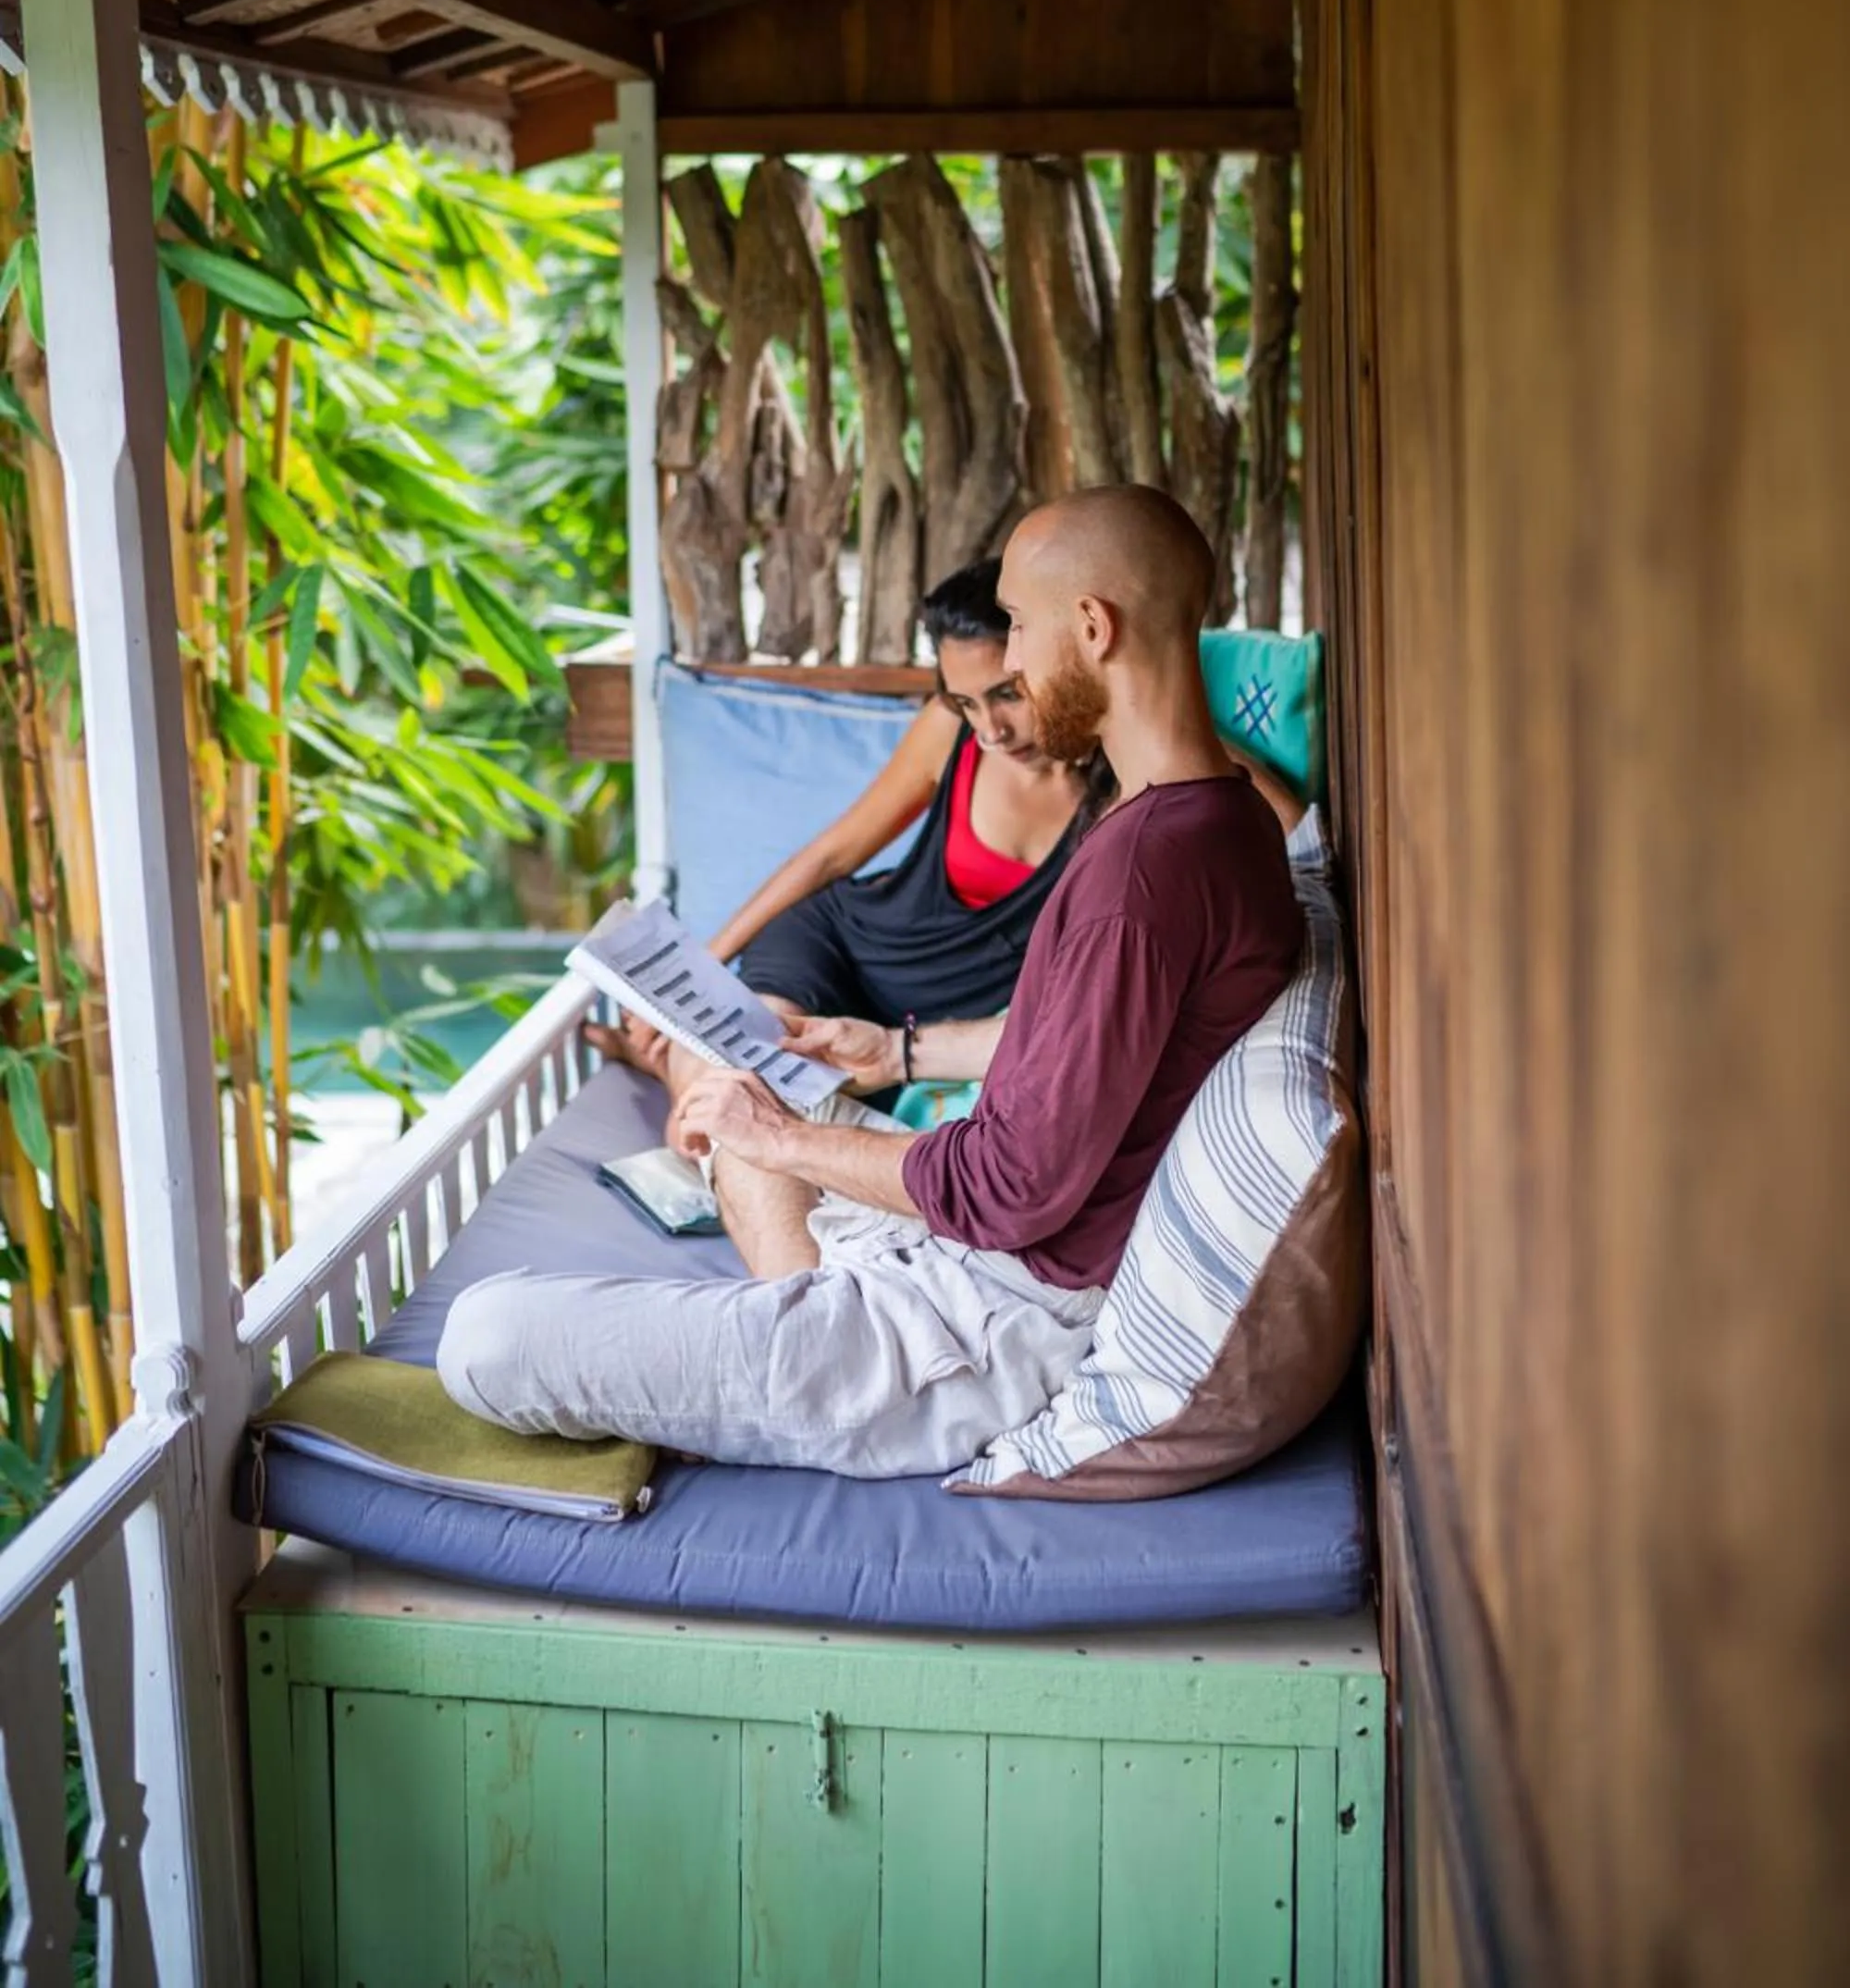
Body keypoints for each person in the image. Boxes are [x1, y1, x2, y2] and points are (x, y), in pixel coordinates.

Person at [438, 487, 1305, 1481]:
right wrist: (875, 1063)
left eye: (1018, 628)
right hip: (977, 1239)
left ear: (1092, 628)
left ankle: (808, 1371)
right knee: (755, 1117)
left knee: (487, 1335)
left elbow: (1011, 1191)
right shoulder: (1221, 822)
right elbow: (1078, 1066)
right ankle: (796, 1341)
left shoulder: (1142, 871)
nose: (1010, 663)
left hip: (991, 1316)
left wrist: (790, 1139)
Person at [588, 559, 1102, 1115]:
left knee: (756, 1096)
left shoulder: (1124, 791)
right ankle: (671, 1061)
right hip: (837, 947)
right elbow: (831, 855)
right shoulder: (948, 732)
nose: (991, 730)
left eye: (1009, 694)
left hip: (927, 1036)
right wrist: (708, 964)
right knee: (742, 1076)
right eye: (966, 702)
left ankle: (666, 1063)